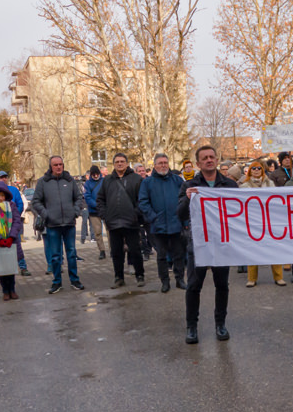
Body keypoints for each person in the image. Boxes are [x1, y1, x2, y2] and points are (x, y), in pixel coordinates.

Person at [179, 145, 239, 344]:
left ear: (217, 159)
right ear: (198, 163)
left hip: (222, 243)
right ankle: (191, 327)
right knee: (194, 286)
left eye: (212, 157)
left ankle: (220, 324)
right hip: (198, 244)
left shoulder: (229, 185)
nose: (209, 160)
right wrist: (188, 199)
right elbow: (179, 214)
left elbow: (240, 213)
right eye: (204, 158)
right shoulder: (190, 185)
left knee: (222, 285)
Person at [32, 155, 86, 293]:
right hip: (53, 225)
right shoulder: (43, 182)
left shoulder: (70, 181)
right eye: (55, 165)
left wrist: (75, 212)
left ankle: (75, 280)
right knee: (55, 255)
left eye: (60, 164)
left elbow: (79, 198)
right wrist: (46, 214)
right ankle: (57, 282)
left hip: (69, 224)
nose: (58, 167)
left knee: (72, 253)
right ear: (51, 166)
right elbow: (36, 202)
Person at [139, 153, 188, 293]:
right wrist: (153, 217)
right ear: (154, 165)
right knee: (161, 256)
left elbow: (184, 201)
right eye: (160, 163)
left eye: (165, 162)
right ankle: (165, 282)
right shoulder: (147, 182)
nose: (163, 165)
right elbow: (143, 202)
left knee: (178, 254)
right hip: (158, 226)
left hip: (176, 224)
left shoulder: (177, 181)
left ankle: (180, 280)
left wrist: (184, 221)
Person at [97, 153, 145, 288]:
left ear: (127, 163)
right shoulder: (107, 180)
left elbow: (142, 200)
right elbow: (100, 199)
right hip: (113, 223)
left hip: (131, 222)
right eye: (117, 161)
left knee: (135, 250)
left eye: (122, 161)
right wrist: (104, 215)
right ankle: (119, 277)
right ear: (114, 164)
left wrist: (136, 214)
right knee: (116, 253)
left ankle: (140, 275)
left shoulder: (136, 179)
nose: (119, 164)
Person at [240, 160, 286, 287]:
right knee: (252, 250)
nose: (256, 170)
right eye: (253, 168)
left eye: (258, 168)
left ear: (262, 170)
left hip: (269, 221)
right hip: (253, 222)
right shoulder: (244, 186)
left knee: (274, 249)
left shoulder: (270, 184)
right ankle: (252, 278)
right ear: (250, 171)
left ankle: (278, 277)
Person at [0, 180, 24, 301]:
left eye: (2, 195)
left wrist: (11, 237)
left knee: (11, 267)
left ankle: (12, 289)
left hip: (11, 241)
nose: (0, 198)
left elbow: (17, 221)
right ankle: (5, 290)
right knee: (2, 269)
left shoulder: (11, 206)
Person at [82, 166, 106, 260]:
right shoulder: (87, 184)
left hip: (105, 210)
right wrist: (97, 205)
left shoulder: (104, 181)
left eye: (97, 174)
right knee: (97, 232)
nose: (96, 176)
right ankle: (102, 250)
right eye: (94, 174)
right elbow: (87, 197)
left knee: (110, 231)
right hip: (94, 211)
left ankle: (113, 250)